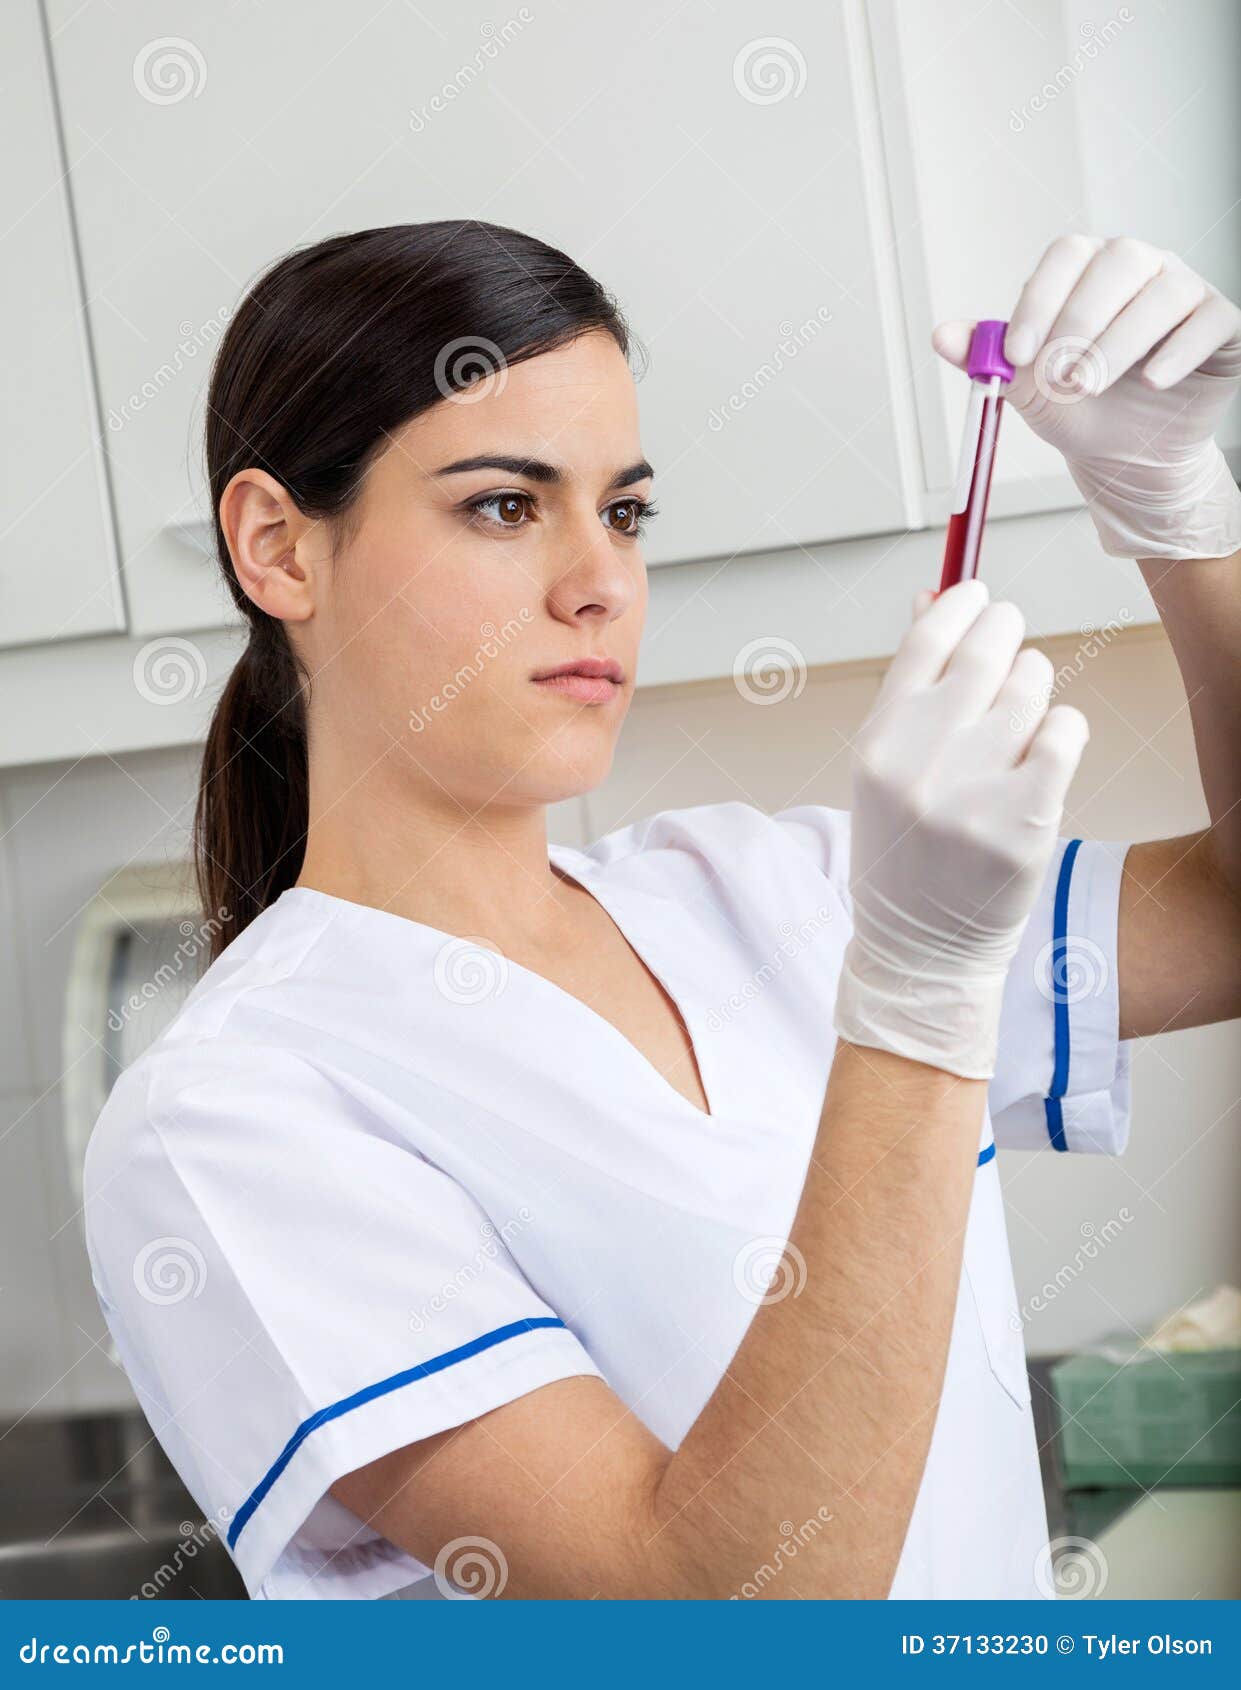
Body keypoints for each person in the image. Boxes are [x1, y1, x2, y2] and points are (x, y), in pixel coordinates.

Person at [83, 225, 1241, 1600]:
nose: (601, 580)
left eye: (623, 510)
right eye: (505, 506)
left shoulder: (771, 889)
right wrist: (916, 996)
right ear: (277, 546)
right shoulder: (232, 1116)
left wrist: (1183, 519)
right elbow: (725, 1613)